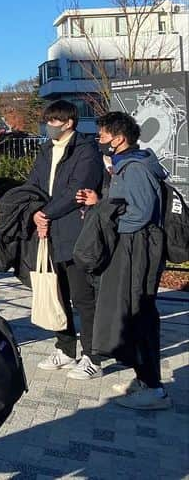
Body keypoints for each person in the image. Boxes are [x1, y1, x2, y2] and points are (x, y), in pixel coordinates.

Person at [78, 112, 170, 410]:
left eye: (102, 135)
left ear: (118, 138)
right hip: (133, 245)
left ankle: (154, 389)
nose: (99, 140)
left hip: (138, 247)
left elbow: (139, 214)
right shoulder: (127, 166)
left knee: (139, 310)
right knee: (132, 310)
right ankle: (144, 379)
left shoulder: (134, 169)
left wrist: (108, 224)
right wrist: (101, 206)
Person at [27, 100, 105, 380]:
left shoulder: (86, 151)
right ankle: (65, 346)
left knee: (83, 296)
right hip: (47, 230)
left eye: (54, 121)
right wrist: (35, 213)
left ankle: (93, 356)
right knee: (55, 292)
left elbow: (78, 190)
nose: (50, 126)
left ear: (69, 122)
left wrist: (46, 213)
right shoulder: (46, 150)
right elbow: (34, 183)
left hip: (75, 230)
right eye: (48, 120)